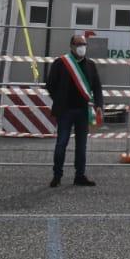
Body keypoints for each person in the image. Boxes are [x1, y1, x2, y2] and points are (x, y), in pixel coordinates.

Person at [46, 33, 105, 188]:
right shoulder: (61, 63)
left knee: (82, 146)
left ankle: (80, 176)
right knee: (61, 143)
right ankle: (57, 176)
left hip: (83, 112)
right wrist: (59, 100)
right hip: (65, 111)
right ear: (72, 46)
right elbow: (50, 84)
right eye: (78, 44)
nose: (81, 47)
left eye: (84, 44)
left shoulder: (91, 65)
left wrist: (99, 105)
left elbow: (97, 87)